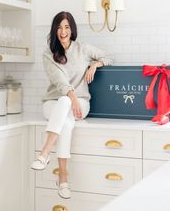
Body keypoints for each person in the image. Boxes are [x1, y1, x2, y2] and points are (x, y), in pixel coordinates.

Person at [31, 11, 113, 199]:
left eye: (67, 27)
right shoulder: (48, 54)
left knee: (66, 105)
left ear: (72, 29)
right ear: (54, 30)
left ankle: (44, 153)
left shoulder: (82, 49)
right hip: (54, 103)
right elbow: (60, 82)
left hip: (81, 104)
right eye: (59, 27)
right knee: (66, 117)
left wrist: (95, 64)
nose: (63, 31)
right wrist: (72, 99)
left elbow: (109, 57)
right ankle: (63, 178)